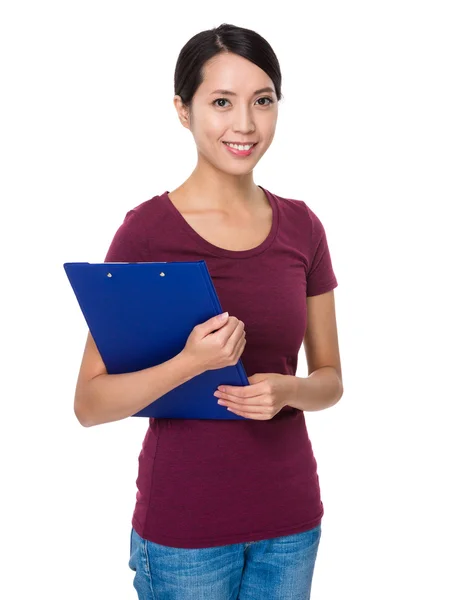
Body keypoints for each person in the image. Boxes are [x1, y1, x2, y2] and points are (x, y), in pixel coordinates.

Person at [74, 22, 343, 600]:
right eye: (221, 102)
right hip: (185, 533)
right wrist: (191, 362)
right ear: (183, 109)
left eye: (262, 101)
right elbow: (90, 404)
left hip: (291, 522)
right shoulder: (146, 234)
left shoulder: (303, 226)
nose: (244, 124)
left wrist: (288, 391)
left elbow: (331, 381)